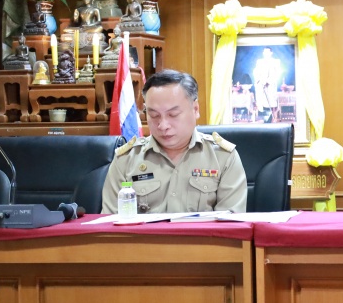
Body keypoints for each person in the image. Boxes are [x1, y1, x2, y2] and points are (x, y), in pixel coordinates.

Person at [101, 69, 247, 214]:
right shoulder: (125, 160)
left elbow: (230, 224)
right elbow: (110, 223)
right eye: (154, 115)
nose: (163, 125)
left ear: (195, 109)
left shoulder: (223, 158)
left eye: (173, 114)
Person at [253, 46, 282, 123]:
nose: (266, 53)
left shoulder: (275, 61)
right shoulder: (259, 62)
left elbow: (277, 72)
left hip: (271, 85)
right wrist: (261, 80)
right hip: (261, 85)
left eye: (267, 52)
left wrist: (268, 81)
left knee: (272, 102)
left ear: (271, 53)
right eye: (264, 52)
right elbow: (256, 72)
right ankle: (264, 120)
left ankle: (273, 119)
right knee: (262, 103)